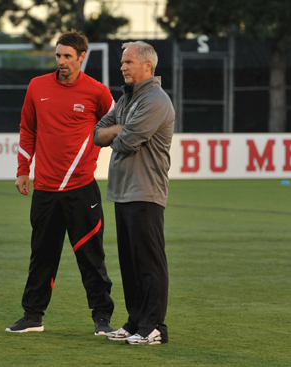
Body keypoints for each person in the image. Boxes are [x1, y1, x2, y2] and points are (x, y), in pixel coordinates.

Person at [6, 30, 115, 336]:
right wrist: (22, 170)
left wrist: (96, 153)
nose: (62, 61)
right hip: (44, 189)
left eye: (68, 56)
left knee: (92, 258)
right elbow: (27, 129)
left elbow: (117, 127)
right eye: (58, 55)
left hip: (81, 189)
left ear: (82, 57)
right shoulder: (37, 86)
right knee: (41, 255)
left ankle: (102, 320)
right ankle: (32, 316)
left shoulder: (97, 92)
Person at [93, 41, 174, 345]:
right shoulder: (126, 98)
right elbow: (97, 133)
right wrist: (119, 129)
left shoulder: (155, 100)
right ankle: (135, 321)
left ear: (147, 66)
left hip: (145, 191)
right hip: (123, 191)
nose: (122, 67)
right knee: (129, 263)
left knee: (149, 263)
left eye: (128, 62)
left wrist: (118, 132)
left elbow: (125, 142)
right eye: (122, 63)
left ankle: (154, 328)